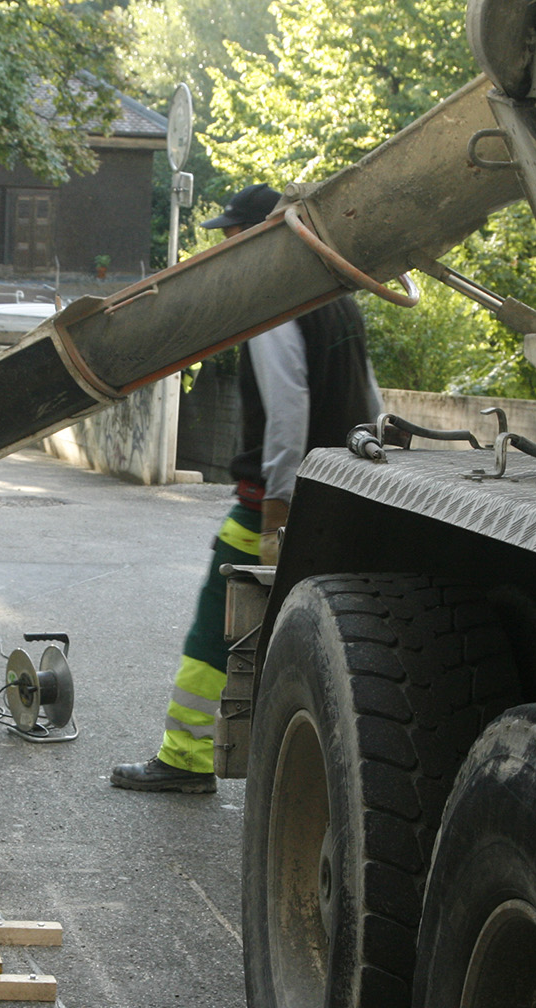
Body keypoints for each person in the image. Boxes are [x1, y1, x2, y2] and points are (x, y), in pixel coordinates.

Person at [111, 182, 382, 793]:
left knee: (217, 623)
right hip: (344, 493)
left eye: (235, 234)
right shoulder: (338, 297)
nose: (229, 245)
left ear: (263, 234)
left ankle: (184, 758)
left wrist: (277, 515)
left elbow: (288, 412)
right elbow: (370, 400)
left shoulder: (276, 302)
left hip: (277, 502)